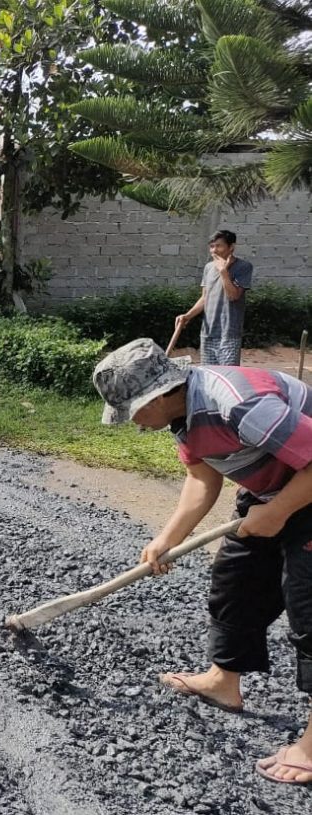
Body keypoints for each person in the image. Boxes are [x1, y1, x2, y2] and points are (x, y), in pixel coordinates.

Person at [94, 337, 312, 786]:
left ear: (159, 394)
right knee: (236, 581)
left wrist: (277, 513)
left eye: (134, 411)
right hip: (273, 492)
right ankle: (223, 681)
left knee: (309, 610)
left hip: (303, 490)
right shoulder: (184, 417)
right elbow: (201, 477)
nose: (134, 423)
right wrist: (166, 539)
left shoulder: (238, 404)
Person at [175, 229, 253, 365]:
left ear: (231, 247)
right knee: (209, 375)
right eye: (212, 246)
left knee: (228, 375)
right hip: (208, 333)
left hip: (229, 334)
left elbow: (233, 295)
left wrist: (223, 271)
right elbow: (205, 298)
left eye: (219, 246)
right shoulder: (208, 268)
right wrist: (187, 316)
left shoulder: (243, 267)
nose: (214, 250)